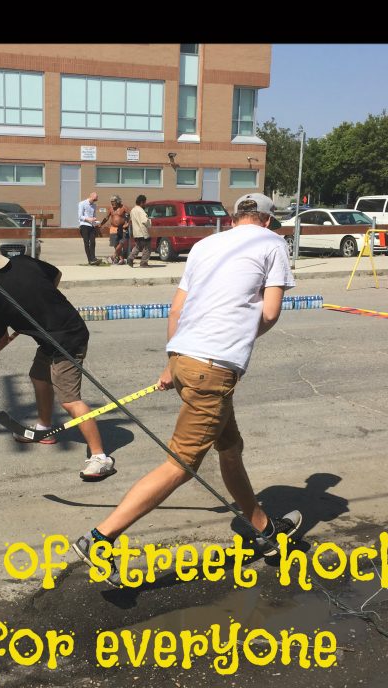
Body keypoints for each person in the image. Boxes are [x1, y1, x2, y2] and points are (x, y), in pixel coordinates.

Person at [72, 193, 299, 586]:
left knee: (230, 448)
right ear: (266, 220)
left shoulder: (206, 244)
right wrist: (237, 341)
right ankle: (99, 540)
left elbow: (177, 310)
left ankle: (262, 530)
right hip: (211, 369)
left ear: (234, 218)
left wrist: (171, 362)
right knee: (181, 465)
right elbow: (271, 311)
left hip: (185, 360)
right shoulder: (273, 243)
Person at [0, 238, 117, 481]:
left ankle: (100, 457)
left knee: (70, 400)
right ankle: (45, 428)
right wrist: (42, 303)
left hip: (67, 339)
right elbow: (55, 275)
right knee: (38, 376)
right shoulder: (23, 262)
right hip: (54, 336)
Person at [99, 195, 130, 264]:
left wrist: (127, 224)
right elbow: (106, 218)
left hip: (122, 228)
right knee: (115, 244)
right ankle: (121, 259)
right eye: (111, 202)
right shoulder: (110, 209)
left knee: (121, 243)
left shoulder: (124, 207)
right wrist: (101, 224)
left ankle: (114, 256)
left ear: (118, 201)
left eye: (113, 202)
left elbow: (130, 217)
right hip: (113, 228)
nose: (112, 203)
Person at [128, 194, 151, 268]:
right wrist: (150, 223)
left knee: (138, 246)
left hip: (136, 232)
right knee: (147, 248)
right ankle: (144, 263)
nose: (145, 204)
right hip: (142, 232)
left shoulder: (133, 210)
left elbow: (131, 221)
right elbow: (145, 221)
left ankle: (130, 258)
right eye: (144, 202)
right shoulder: (141, 211)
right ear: (141, 202)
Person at [78, 192, 100, 265]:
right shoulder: (82, 203)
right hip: (84, 225)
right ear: (91, 196)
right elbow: (80, 216)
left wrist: (96, 221)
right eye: (94, 199)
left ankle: (93, 258)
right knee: (86, 242)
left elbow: (94, 216)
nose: (95, 201)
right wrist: (89, 219)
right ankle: (90, 260)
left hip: (92, 226)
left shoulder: (94, 205)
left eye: (96, 200)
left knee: (93, 242)